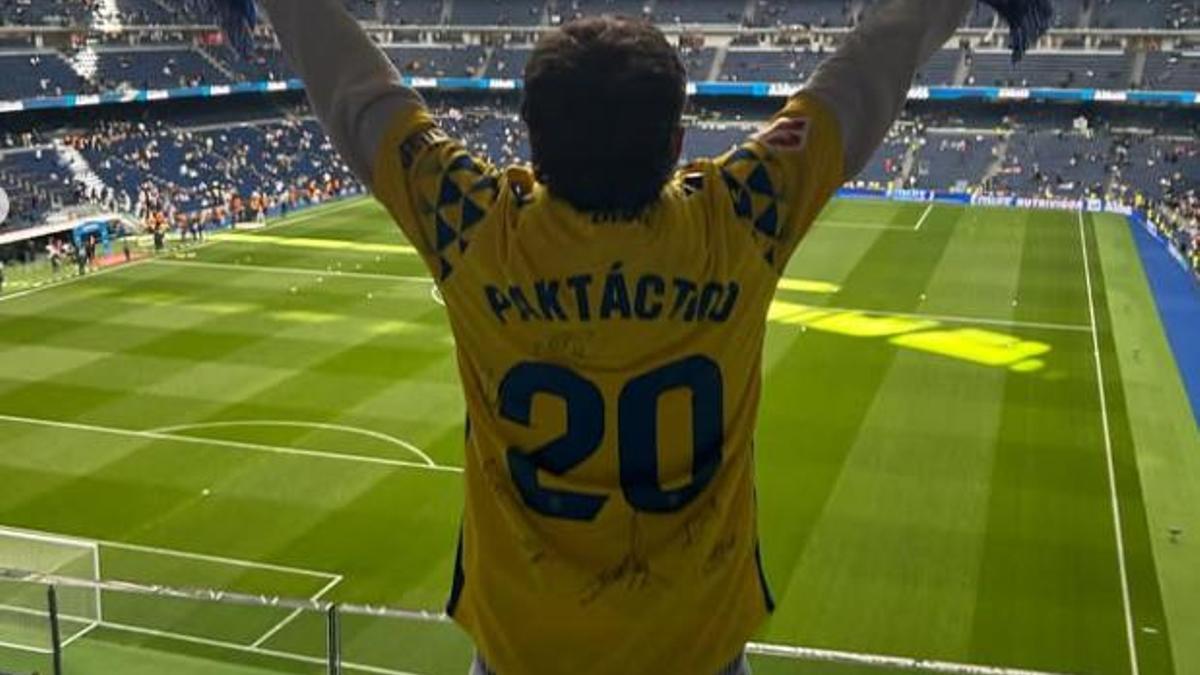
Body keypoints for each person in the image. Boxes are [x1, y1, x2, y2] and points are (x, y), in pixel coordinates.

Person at [251, 0, 1022, 672]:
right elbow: (860, 80)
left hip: (527, 652)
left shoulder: (476, 229)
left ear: (532, 141)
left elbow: (358, 92)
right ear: (678, 145)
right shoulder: (740, 217)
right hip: (697, 648)